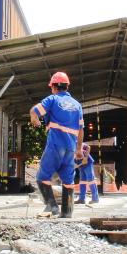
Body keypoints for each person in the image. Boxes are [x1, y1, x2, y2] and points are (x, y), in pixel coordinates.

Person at [30, 71, 84, 218]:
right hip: (70, 148)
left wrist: (35, 119)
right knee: (68, 181)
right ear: (67, 86)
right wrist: (79, 149)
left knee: (42, 177)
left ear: (53, 87)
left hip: (55, 145)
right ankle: (67, 213)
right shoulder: (77, 105)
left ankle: (53, 207)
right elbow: (80, 129)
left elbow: (34, 111)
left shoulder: (52, 99)